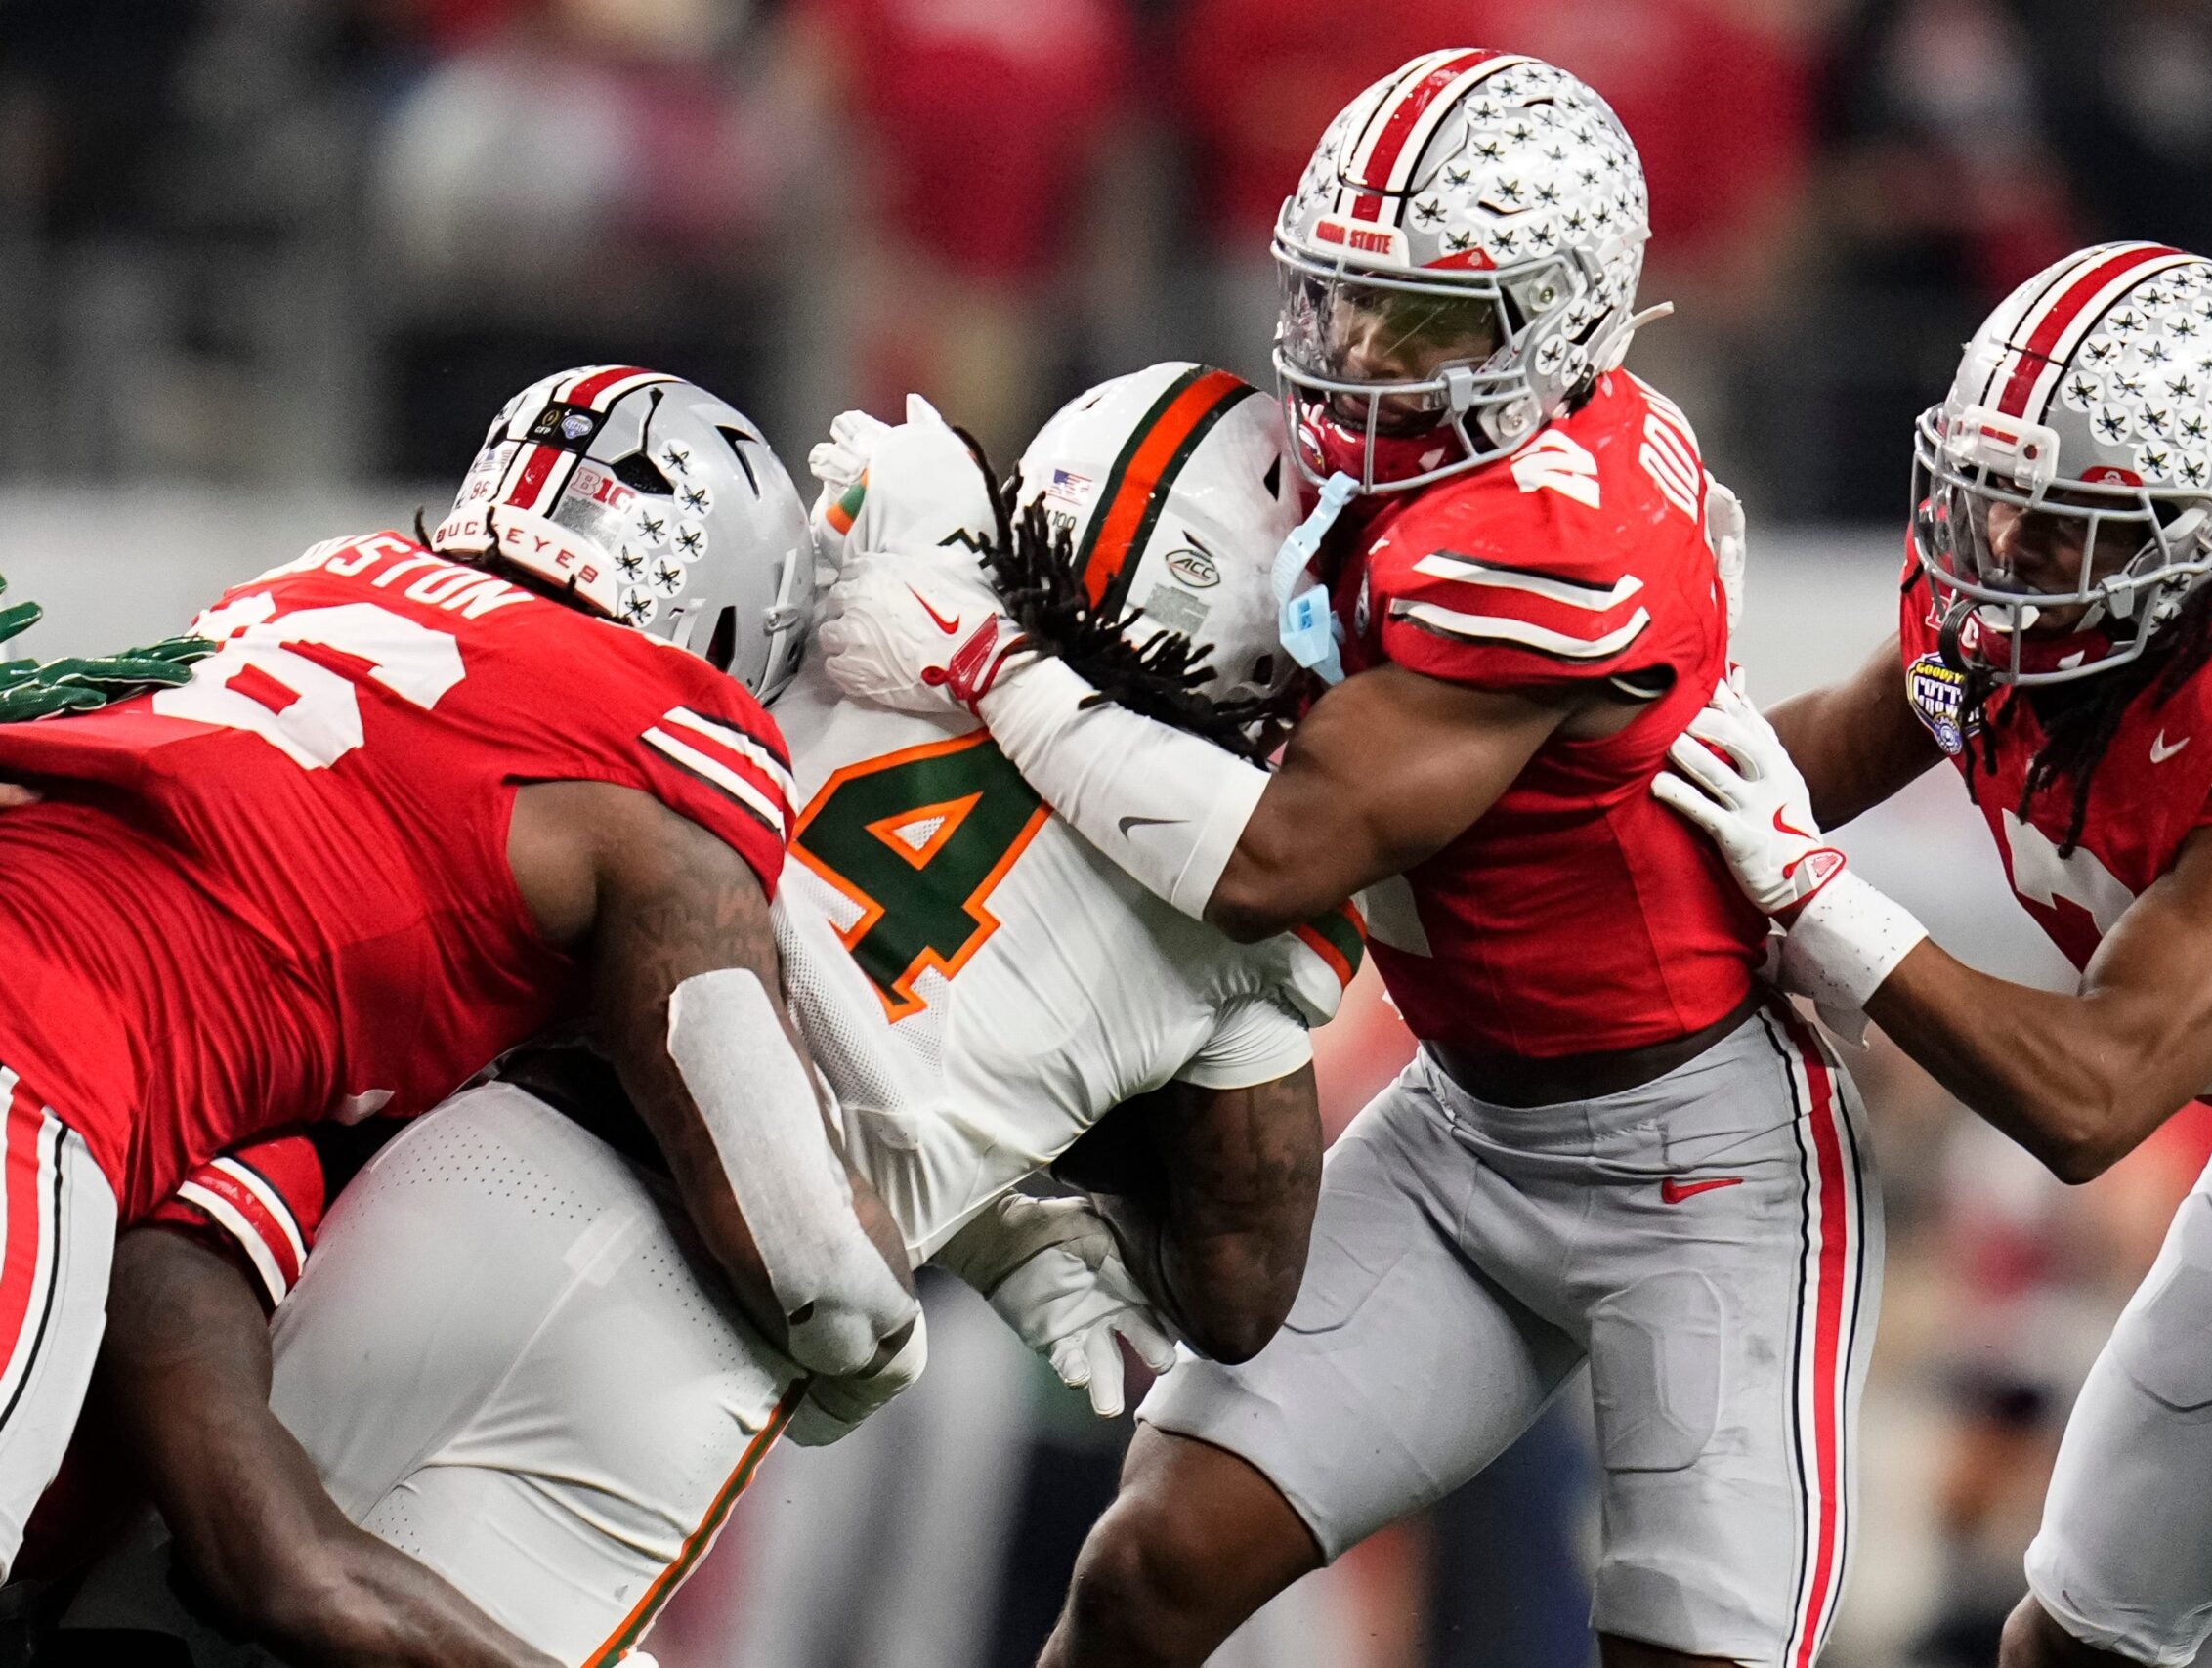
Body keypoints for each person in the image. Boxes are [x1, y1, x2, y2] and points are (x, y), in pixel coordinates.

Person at [819, 50, 1877, 1668]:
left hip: (1697, 1167)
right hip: (1470, 1124)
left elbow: (1271, 858)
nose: (1362, 356)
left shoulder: (1535, 539)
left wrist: (986, 659)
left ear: (1565, 326)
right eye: (1340, 298)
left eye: (1432, 323)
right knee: (1148, 1571)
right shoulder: (1419, 471)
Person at [52, 364, 1344, 1665]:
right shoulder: (1240, 897)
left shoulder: (876, 599)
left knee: (163, 1605)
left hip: (456, 1165)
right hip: (706, 1318)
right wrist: (1014, 1185)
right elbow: (1235, 1291)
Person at [1648, 241, 2212, 1667]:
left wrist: (1814, 895)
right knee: (2070, 1643)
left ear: (2207, 538)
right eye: (1992, 493)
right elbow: (1798, 771)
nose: (2002, 551)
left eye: (2062, 522)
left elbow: (2091, 1098)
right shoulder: (1987, 637)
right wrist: (1600, 751)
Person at [0, 364, 922, 1602]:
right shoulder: (650, 767)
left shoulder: (298, 594)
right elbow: (809, 1261)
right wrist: (891, 1337)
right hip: (35, 1060)